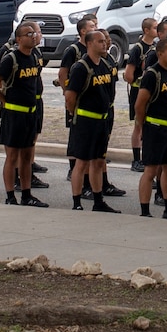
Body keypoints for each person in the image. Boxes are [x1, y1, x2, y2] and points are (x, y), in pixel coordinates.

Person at [0, 21, 47, 206]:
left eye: (34, 33)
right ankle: (10, 195)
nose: (33, 36)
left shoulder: (34, 57)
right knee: (12, 156)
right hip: (13, 116)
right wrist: (4, 101)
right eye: (28, 34)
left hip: (31, 113)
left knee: (27, 157)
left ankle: (27, 194)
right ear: (19, 39)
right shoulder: (11, 59)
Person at [66, 29, 120, 213]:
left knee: (98, 162)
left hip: (102, 122)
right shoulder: (81, 67)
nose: (104, 44)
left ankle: (99, 201)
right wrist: (76, 115)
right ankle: (76, 201)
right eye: (99, 41)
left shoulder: (104, 64)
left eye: (104, 41)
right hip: (85, 122)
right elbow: (70, 97)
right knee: (81, 162)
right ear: (89, 44)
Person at [134, 37, 167, 219]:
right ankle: (145, 211)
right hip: (155, 129)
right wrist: (143, 127)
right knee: (151, 170)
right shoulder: (152, 74)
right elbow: (139, 104)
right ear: (160, 54)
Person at [123, 17, 158, 173]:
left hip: (152, 93)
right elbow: (128, 74)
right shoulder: (138, 49)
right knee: (139, 124)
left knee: (148, 126)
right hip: (139, 91)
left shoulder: (157, 47)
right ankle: (136, 159)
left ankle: (147, 156)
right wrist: (141, 83)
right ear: (146, 30)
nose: (157, 31)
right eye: (155, 28)